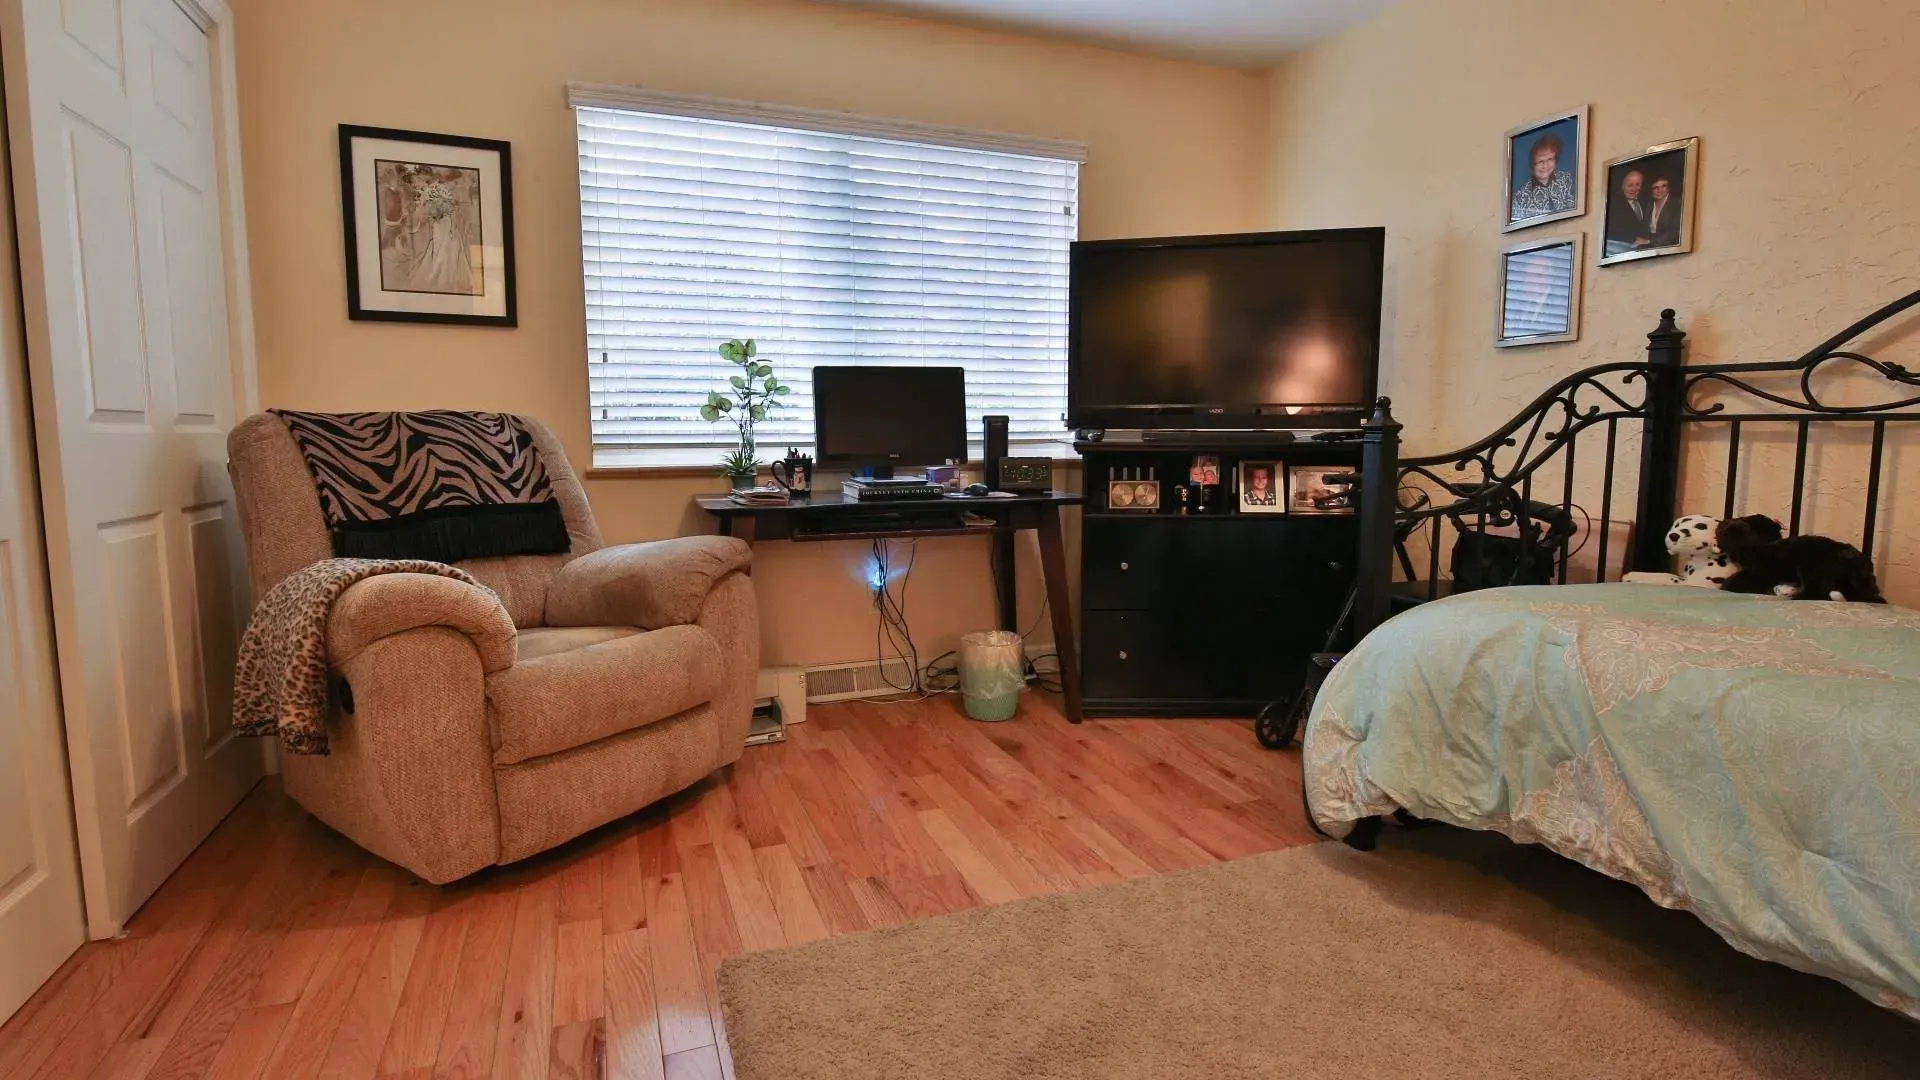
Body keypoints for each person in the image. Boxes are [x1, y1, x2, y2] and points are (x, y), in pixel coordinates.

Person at [1509, 133, 1576, 222]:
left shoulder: (1566, 179)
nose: (1545, 166)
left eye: (1550, 159)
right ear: (1532, 164)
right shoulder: (1521, 196)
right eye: (1540, 161)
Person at [1603, 168, 1652, 256]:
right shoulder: (1613, 204)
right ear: (1622, 186)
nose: (1634, 189)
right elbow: (1611, 230)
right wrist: (1633, 238)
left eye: (1637, 185)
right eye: (1630, 185)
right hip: (1623, 251)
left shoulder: (1647, 201)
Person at [1646, 174, 1682, 247]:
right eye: (1656, 188)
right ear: (1651, 190)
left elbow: (1674, 231)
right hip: (1650, 247)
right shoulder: (1649, 206)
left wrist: (1649, 241)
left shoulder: (1677, 204)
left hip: (1670, 247)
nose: (1660, 190)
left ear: (1668, 188)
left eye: (1664, 186)